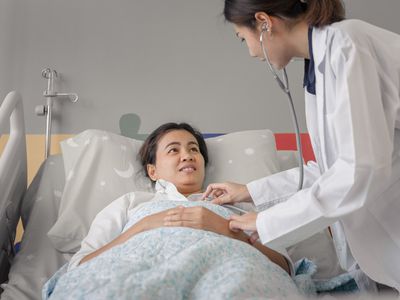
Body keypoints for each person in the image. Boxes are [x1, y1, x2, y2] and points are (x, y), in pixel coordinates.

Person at [196, 0, 400, 292]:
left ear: (264, 22)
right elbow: (334, 168)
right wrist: (250, 191)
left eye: (244, 39)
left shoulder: (347, 46)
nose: (252, 53)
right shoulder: (318, 66)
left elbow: (359, 170)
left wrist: (266, 222)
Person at [43, 123, 299, 299]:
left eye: (193, 149)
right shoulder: (131, 204)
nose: (187, 155)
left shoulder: (239, 204)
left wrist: (228, 230)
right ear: (152, 170)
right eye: (173, 150)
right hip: (133, 273)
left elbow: (284, 268)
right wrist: (142, 226)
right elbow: (79, 266)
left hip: (232, 272)